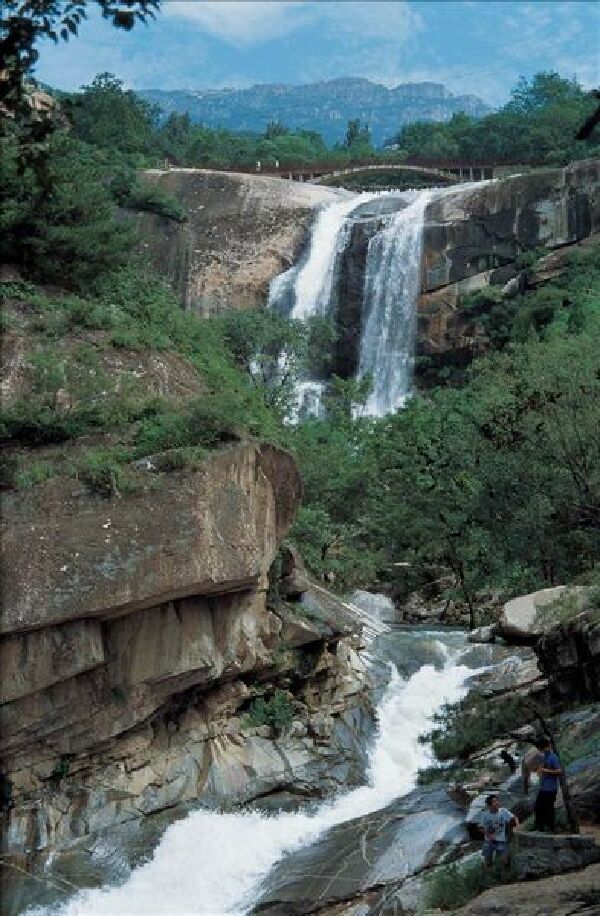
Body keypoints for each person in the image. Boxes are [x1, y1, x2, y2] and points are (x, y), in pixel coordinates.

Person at [481, 794, 519, 869]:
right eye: (494, 802)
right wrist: (489, 835)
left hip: (501, 840)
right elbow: (481, 828)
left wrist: (517, 826)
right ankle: (489, 874)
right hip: (489, 841)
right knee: (488, 862)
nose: (497, 803)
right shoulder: (485, 815)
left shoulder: (503, 811)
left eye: (497, 801)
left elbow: (514, 817)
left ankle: (507, 873)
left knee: (505, 861)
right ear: (489, 805)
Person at [534, 737, 561, 831]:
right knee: (539, 807)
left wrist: (545, 770)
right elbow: (542, 769)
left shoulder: (553, 757)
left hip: (550, 788)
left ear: (547, 747)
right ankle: (541, 827)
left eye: (542, 749)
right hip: (543, 787)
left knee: (548, 808)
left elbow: (559, 771)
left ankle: (551, 827)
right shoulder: (544, 757)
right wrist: (539, 771)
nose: (541, 751)